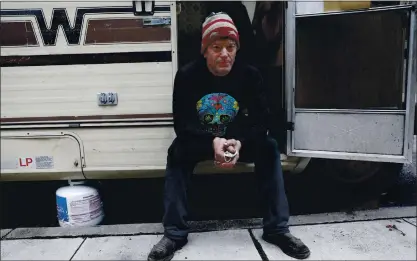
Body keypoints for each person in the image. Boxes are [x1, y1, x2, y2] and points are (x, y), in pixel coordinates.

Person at [147, 12, 310, 261]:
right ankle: (174, 234)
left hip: (238, 141)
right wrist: (211, 142)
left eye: (230, 47)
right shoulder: (187, 76)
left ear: (236, 49)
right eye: (217, 47)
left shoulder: (250, 75)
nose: (225, 54)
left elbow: (261, 121)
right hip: (204, 141)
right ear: (205, 50)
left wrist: (240, 141)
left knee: (268, 148)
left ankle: (277, 229)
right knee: (177, 151)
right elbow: (183, 125)